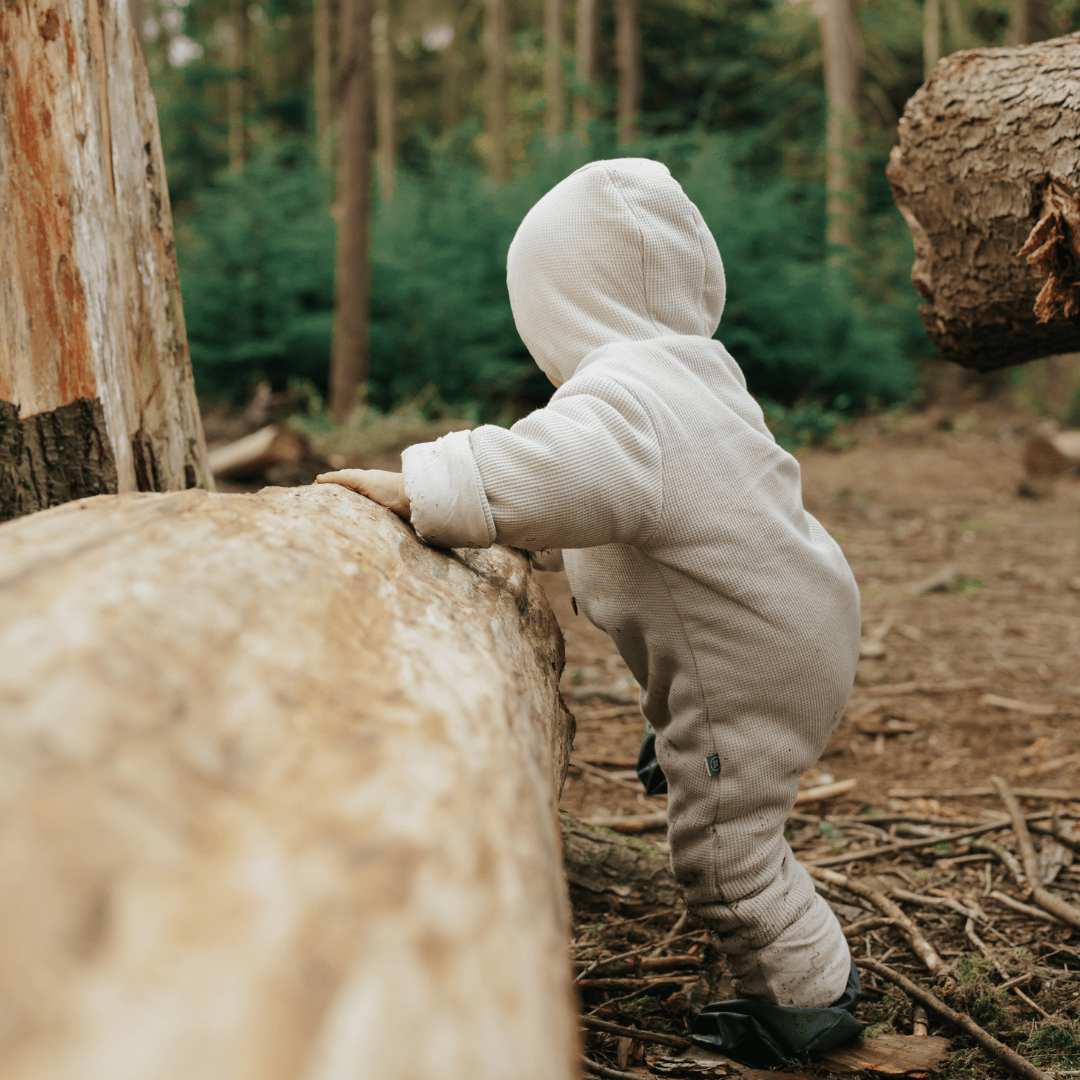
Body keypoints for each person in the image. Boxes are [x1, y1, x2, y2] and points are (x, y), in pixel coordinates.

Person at [317, 158, 863, 1063]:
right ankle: (709, 762)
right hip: (786, 626)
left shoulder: (630, 400)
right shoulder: (691, 380)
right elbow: (625, 507)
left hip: (755, 661)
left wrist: (428, 484)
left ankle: (802, 997)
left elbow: (552, 469)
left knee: (726, 854)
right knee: (725, 791)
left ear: (560, 309)